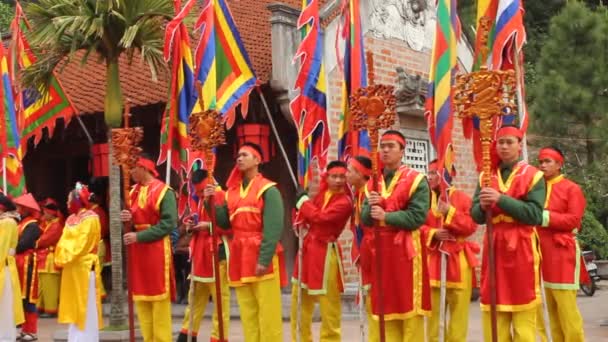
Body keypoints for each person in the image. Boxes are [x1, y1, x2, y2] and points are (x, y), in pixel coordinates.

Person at [470, 124, 546, 342]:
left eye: (509, 142)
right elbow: (475, 216)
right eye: (500, 142)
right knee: (495, 314)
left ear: (519, 145)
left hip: (521, 246)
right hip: (494, 247)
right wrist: (483, 207)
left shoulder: (533, 176)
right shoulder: (486, 174)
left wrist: (500, 200)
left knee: (523, 317)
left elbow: (534, 215)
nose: (504, 147)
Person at [204, 142, 286, 342]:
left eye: (245, 155)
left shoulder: (268, 189)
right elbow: (223, 222)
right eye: (238, 156)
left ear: (257, 160)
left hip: (260, 254)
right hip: (240, 255)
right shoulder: (232, 192)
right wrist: (209, 201)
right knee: (248, 314)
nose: (239, 159)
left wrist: (264, 259)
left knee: (268, 316)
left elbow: (273, 227)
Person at [360, 130, 431, 341]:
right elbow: (365, 218)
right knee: (383, 308)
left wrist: (386, 215)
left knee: (408, 309)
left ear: (402, 151)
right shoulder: (373, 182)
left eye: (391, 146)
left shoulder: (417, 180)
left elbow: (418, 217)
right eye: (382, 146)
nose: (385, 150)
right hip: (380, 252)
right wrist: (372, 206)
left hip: (405, 253)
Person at [291, 160, 353, 342]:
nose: (338, 180)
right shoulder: (322, 195)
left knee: (329, 307)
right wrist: (299, 211)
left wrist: (303, 202)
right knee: (299, 302)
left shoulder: (345, 202)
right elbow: (308, 216)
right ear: (327, 177)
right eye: (334, 176)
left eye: (342, 176)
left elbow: (321, 218)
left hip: (326, 253)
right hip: (308, 250)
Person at [120, 155, 178, 342]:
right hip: (138, 252)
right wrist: (126, 220)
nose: (129, 173)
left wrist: (140, 236)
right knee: (142, 301)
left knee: (158, 301)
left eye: (132, 168)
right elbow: (133, 223)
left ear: (143, 168)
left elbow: (169, 224)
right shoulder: (132, 192)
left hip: (156, 250)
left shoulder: (164, 191)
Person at [422, 159, 478, 342]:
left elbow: (470, 226)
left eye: (434, 173)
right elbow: (415, 227)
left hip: (459, 260)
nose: (430, 177)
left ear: (449, 175)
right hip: (433, 260)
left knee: (459, 315)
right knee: (433, 316)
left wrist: (450, 212)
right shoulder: (423, 199)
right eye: (429, 173)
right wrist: (433, 233)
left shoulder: (462, 198)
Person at [535, 146, 586, 342]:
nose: (543, 165)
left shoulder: (572, 188)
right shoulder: (537, 188)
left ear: (559, 164)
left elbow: (574, 220)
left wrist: (543, 217)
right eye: (540, 162)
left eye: (547, 161)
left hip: (562, 253)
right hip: (541, 254)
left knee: (567, 311)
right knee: (552, 312)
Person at [177, 169, 230, 342]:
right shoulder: (200, 198)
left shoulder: (221, 195)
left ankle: (218, 336)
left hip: (216, 251)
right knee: (195, 296)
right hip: (200, 252)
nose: (199, 194)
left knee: (220, 300)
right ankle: (188, 332)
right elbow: (199, 218)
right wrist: (193, 223)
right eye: (197, 191)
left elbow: (228, 226)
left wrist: (208, 226)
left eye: (201, 191)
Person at [55, 183, 103, 341]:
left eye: (69, 200)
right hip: (71, 267)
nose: (67, 204)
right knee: (74, 307)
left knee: (86, 306)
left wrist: (65, 254)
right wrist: (62, 255)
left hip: (84, 267)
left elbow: (81, 244)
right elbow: (62, 242)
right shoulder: (70, 219)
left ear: (77, 201)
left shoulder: (91, 218)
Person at [345, 155, 379, 341]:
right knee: (370, 302)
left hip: (375, 254)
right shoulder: (359, 194)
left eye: (350, 170)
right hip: (367, 252)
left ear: (360, 174)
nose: (346, 174)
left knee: (375, 303)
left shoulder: (370, 194)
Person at [14, 193, 42, 341]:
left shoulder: (32, 225)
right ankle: (23, 329)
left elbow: (23, 244)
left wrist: (11, 248)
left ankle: (31, 330)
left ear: (25, 209)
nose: (17, 209)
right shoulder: (21, 223)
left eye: (19, 207)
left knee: (28, 297)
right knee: (20, 298)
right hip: (20, 263)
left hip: (28, 263)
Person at [0, 194, 24, 341]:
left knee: (5, 303)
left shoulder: (7, 222)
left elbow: (2, 247)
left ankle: (6, 336)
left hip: (4, 267)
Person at [35, 198, 64, 318]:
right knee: (42, 286)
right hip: (44, 259)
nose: (43, 215)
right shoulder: (49, 224)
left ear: (51, 214)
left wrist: (36, 242)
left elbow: (44, 241)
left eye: (45, 213)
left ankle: (51, 309)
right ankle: (41, 308)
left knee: (50, 286)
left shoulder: (56, 226)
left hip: (50, 260)